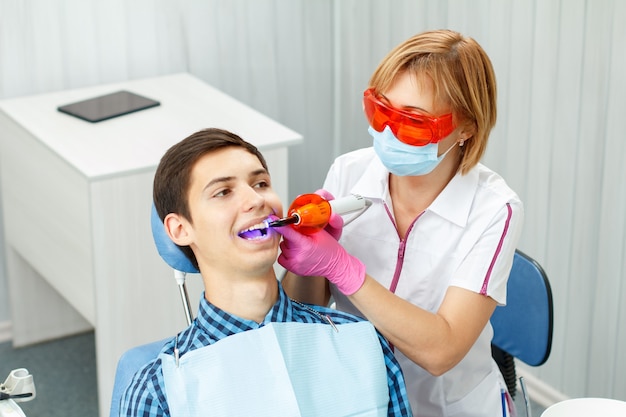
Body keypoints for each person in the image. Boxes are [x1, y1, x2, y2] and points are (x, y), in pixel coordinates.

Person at [279, 30, 524, 417]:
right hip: (360, 400)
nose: (388, 131)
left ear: (466, 128)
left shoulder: (494, 209)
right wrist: (305, 259)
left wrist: (343, 269)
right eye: (381, 110)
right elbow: (302, 308)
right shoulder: (349, 171)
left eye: (413, 121)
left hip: (447, 409)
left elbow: (442, 351)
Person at [120, 128, 412, 417]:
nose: (257, 201)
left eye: (260, 184)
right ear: (181, 229)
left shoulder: (362, 344)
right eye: (223, 192)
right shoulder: (159, 391)